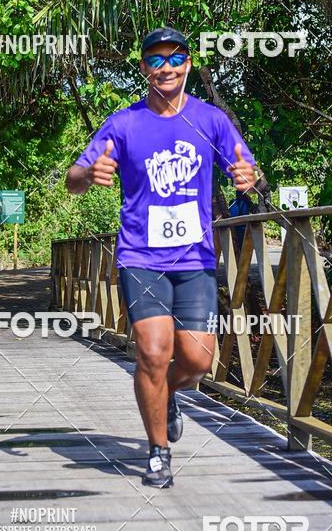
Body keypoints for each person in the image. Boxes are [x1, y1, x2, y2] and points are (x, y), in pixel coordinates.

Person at [65, 27, 258, 488]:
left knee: (196, 361)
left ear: (188, 65)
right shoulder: (123, 124)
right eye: (155, 59)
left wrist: (247, 176)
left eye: (175, 58)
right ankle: (158, 452)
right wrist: (90, 174)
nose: (166, 67)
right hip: (141, 255)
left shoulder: (210, 119)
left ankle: (166, 395)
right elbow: (72, 177)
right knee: (153, 353)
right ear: (143, 69)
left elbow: (246, 166)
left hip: (194, 258)